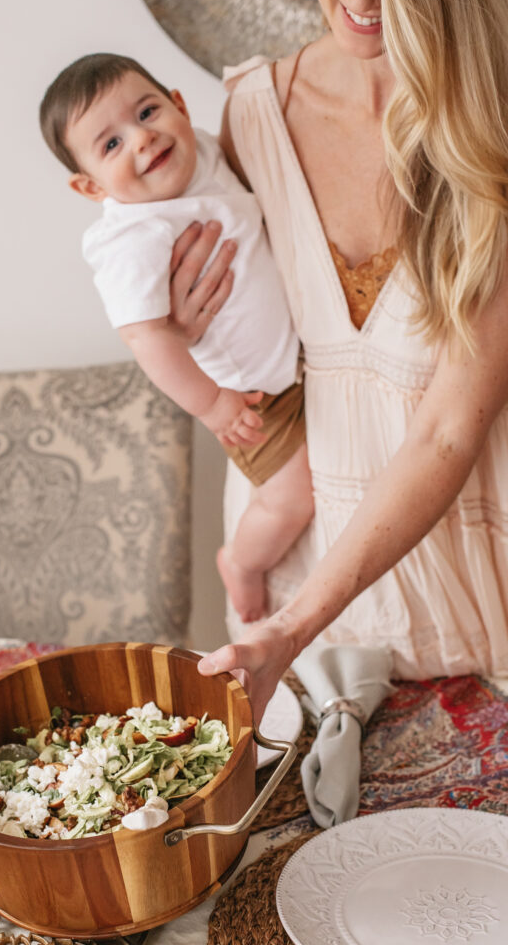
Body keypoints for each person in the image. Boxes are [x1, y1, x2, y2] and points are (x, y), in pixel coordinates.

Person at [166, 0, 508, 719]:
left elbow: (450, 430)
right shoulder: (255, 110)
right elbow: (260, 365)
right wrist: (188, 335)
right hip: (295, 566)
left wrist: (291, 627)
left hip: (466, 573)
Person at [39, 54, 314, 623]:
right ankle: (242, 563)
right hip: (249, 398)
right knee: (294, 500)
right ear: (91, 187)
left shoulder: (206, 153)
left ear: (180, 106)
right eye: (110, 144)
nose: (141, 138)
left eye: (147, 111)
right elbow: (145, 337)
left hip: (296, 365)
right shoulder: (133, 236)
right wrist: (213, 406)